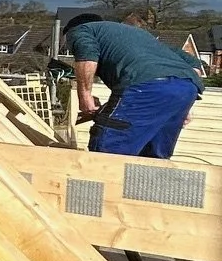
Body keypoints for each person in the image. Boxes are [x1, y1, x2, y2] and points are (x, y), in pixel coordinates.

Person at [62, 11, 206, 159]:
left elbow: (87, 56)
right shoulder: (139, 35)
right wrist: (179, 103)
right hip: (187, 87)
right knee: (153, 158)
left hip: (145, 85)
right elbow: (193, 64)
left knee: (108, 150)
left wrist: (85, 97)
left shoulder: (81, 30)